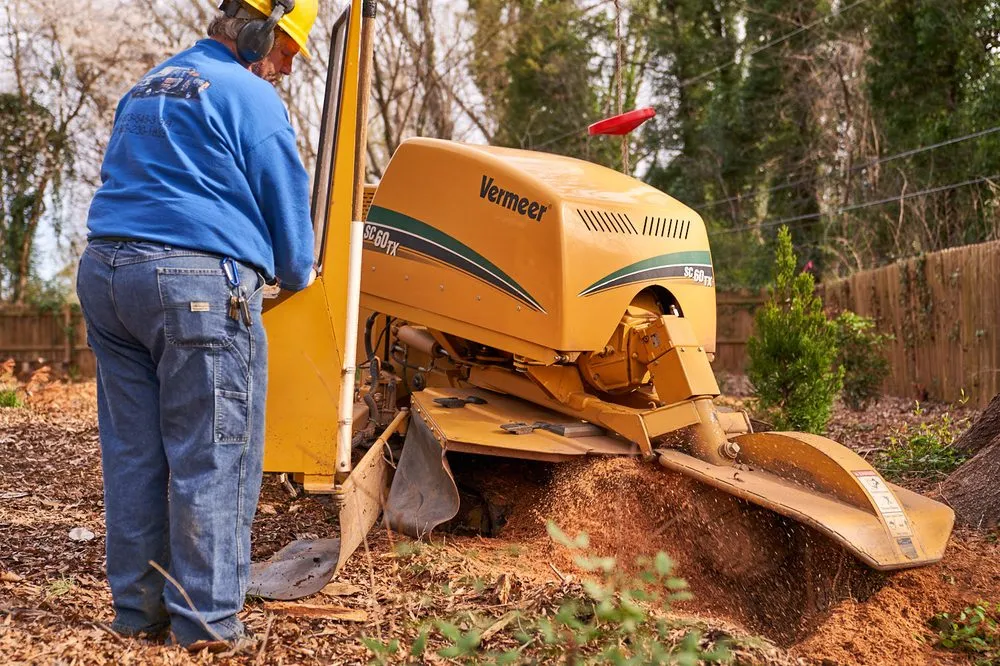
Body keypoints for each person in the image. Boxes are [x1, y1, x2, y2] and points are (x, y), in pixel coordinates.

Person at [76, 0, 318, 651]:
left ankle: (138, 611)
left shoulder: (151, 83)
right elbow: (295, 252)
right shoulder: (252, 97)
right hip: (195, 290)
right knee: (214, 453)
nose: (286, 72)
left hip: (106, 277)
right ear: (263, 33)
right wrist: (299, 274)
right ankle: (207, 625)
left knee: (136, 454)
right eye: (289, 53)